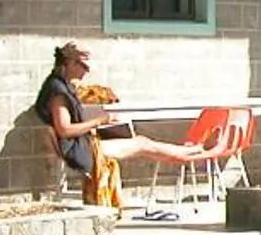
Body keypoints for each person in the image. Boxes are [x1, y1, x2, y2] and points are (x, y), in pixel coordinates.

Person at [34, 43, 199, 178]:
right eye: (83, 66)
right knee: (142, 144)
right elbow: (64, 130)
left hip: (81, 145)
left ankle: (184, 154)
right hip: (78, 151)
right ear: (69, 62)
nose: (86, 71)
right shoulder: (58, 92)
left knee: (143, 143)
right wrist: (98, 122)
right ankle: (186, 153)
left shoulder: (61, 85)